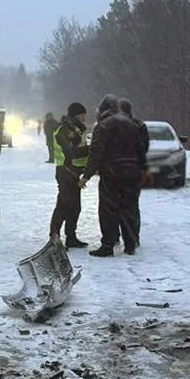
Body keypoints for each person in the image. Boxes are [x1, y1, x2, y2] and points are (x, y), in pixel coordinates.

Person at [79, 95, 145, 257]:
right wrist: (140, 169)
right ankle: (130, 243)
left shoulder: (102, 126)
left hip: (111, 174)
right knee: (130, 207)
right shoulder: (131, 124)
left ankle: (108, 245)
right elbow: (141, 150)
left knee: (108, 209)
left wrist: (86, 176)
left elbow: (96, 154)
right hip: (132, 173)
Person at [49, 102, 90, 248]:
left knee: (74, 207)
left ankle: (71, 237)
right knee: (64, 206)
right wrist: (91, 149)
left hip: (74, 172)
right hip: (65, 172)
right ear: (75, 115)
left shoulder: (77, 130)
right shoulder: (64, 130)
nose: (84, 118)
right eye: (82, 115)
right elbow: (71, 152)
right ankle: (54, 237)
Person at [119, 98, 150, 248]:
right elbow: (144, 147)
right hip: (134, 171)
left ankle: (119, 237)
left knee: (117, 205)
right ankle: (133, 238)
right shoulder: (140, 125)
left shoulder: (116, 125)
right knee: (132, 206)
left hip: (119, 171)